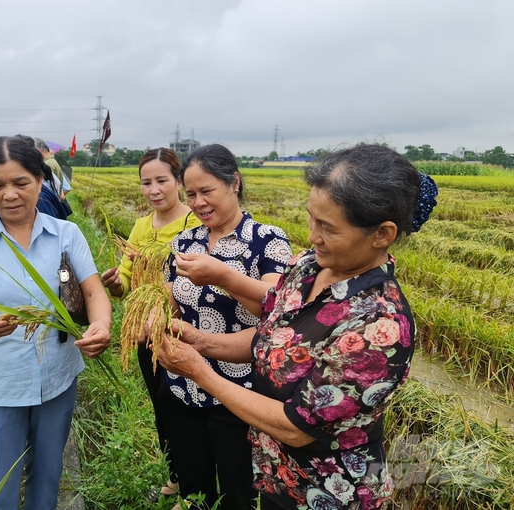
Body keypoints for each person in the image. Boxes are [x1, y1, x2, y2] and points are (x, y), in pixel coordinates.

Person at [157, 144, 438, 509]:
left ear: (382, 234)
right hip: (277, 475)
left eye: (327, 227)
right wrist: (200, 342)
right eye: (311, 218)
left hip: (328, 491)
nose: (312, 236)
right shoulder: (308, 266)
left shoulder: (379, 325)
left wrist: (200, 373)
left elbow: (296, 427)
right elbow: (271, 336)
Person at [0, 135, 112, 510]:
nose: (9, 195)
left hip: (58, 380)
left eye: (21, 183)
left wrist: (101, 325)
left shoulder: (67, 234)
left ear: (41, 181)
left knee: (47, 482)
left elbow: (94, 292)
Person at [156, 144, 293, 510]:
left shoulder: (267, 239)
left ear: (234, 182)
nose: (198, 202)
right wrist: (155, 313)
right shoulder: (185, 241)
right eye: (191, 194)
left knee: (238, 491)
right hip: (183, 381)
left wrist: (223, 277)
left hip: (240, 390)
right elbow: (171, 297)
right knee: (193, 482)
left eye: (207, 191)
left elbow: (277, 307)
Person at [100, 147, 202, 502]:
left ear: (178, 181)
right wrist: (116, 283)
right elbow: (127, 280)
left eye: (162, 180)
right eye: (146, 183)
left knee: (182, 406)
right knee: (161, 407)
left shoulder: (194, 223)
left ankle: (195, 486)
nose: (154, 190)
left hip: (184, 331)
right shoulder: (142, 225)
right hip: (145, 331)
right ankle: (176, 475)